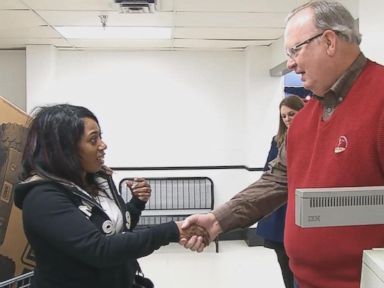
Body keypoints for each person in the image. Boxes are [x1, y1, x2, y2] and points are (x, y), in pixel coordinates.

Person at [181, 1, 384, 287]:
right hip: (304, 280)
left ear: (328, 41)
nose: (290, 63)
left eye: (294, 50)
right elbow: (278, 179)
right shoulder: (303, 120)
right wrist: (218, 220)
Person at [14, 104, 208, 288]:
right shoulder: (43, 198)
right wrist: (171, 230)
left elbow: (119, 229)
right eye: (93, 139)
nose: (103, 145)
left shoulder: (97, 180)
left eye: (101, 137)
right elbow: (100, 249)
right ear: (64, 150)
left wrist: (137, 204)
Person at [255, 95, 304, 288]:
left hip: (301, 205)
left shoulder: (312, 137)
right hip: (280, 208)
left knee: (300, 263)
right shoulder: (277, 140)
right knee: (283, 258)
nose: (287, 119)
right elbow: (268, 171)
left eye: (291, 114)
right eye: (283, 116)